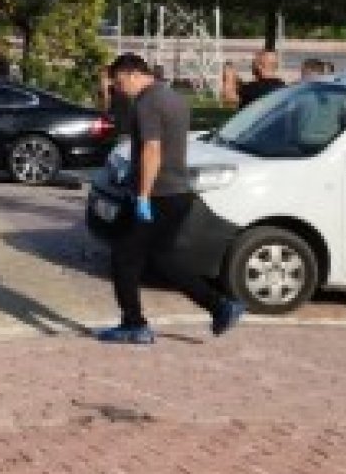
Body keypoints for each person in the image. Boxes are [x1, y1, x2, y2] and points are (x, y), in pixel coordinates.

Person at [98, 53, 245, 345]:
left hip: (157, 194)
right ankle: (221, 306)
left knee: (124, 258)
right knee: (164, 259)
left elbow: (152, 149)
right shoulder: (174, 97)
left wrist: (142, 196)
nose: (117, 89)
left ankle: (134, 324)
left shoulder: (146, 103)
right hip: (178, 192)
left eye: (117, 82)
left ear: (131, 74)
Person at [99, 60, 133, 137]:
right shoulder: (118, 87)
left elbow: (106, 106)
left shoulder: (116, 89)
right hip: (119, 125)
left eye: (103, 76)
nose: (101, 79)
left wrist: (105, 90)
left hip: (120, 126)